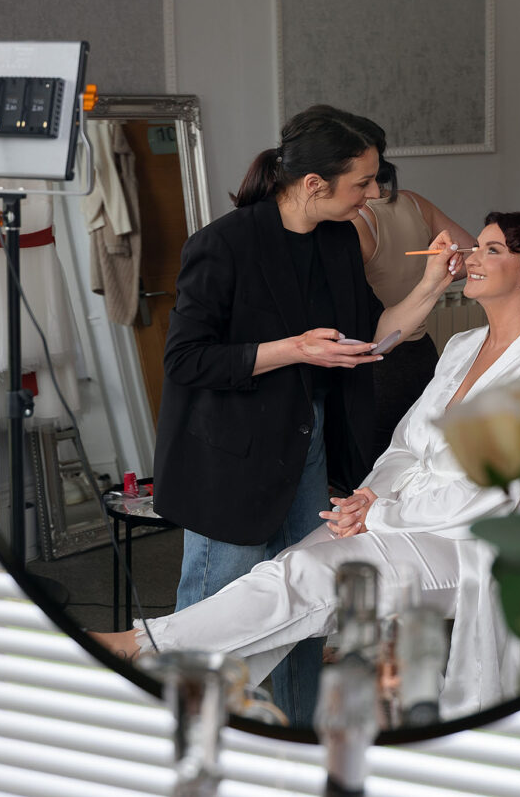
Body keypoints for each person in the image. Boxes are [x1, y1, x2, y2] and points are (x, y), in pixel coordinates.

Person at [95, 212, 520, 720]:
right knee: (283, 570)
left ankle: (139, 650)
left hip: (475, 545)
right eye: (476, 246)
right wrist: (367, 497)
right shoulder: (461, 347)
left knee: (310, 577)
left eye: (493, 250)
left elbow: (493, 493)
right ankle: (203, 696)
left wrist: (381, 515)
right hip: (403, 512)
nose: (472, 257)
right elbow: (405, 445)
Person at [151, 105, 462, 723]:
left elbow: (371, 339)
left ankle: (291, 748)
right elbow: (186, 360)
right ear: (315, 184)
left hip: (308, 449)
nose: (374, 194)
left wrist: (432, 284)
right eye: (363, 183)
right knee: (221, 616)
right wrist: (295, 350)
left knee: (298, 613)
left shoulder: (339, 238)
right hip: (232, 460)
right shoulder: (223, 244)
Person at [349, 122, 476, 459]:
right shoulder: (414, 203)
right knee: (417, 455)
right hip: (422, 351)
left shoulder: (352, 222)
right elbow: (470, 254)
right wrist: (445, 269)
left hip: (377, 361)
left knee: (375, 466)